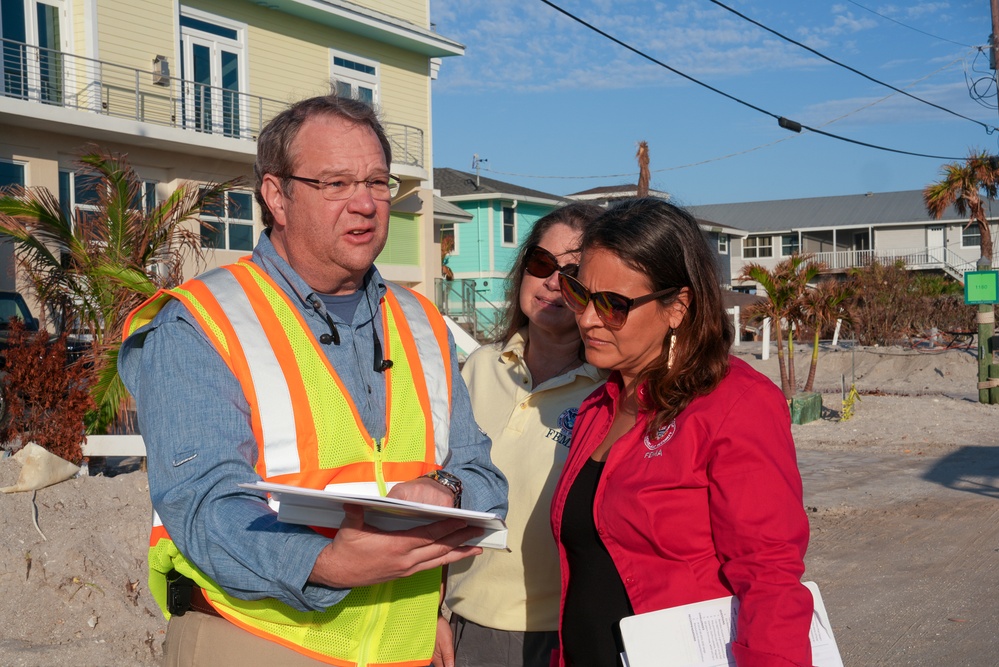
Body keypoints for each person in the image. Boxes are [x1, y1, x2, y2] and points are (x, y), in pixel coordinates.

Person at [117, 94, 508, 667]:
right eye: (335, 183)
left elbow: (480, 474)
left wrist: (445, 490)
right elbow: (201, 501)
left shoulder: (423, 322)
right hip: (257, 642)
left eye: (377, 182)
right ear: (277, 195)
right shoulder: (202, 321)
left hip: (404, 649)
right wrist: (325, 565)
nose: (366, 204)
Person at [550, 198, 813, 667]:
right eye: (579, 294)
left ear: (677, 306)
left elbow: (769, 576)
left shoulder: (736, 405)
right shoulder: (598, 406)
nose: (588, 318)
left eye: (612, 304)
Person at [443, 203, 607, 667]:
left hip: (560, 632)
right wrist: (433, 609)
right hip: (463, 621)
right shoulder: (477, 368)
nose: (552, 282)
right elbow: (438, 487)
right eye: (541, 264)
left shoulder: (611, 392)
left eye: (573, 272)